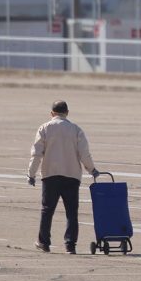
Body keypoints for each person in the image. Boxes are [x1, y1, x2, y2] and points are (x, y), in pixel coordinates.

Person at [27, 100, 99, 254]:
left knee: (47, 210)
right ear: (67, 112)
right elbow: (84, 153)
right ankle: (70, 245)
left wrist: (31, 174)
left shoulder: (44, 128)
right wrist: (92, 169)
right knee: (72, 212)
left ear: (52, 113)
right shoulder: (75, 129)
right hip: (71, 175)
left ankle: (44, 242)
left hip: (50, 175)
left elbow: (37, 153)